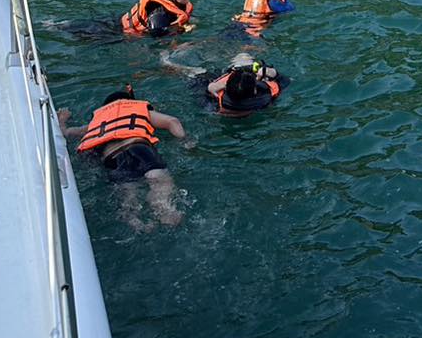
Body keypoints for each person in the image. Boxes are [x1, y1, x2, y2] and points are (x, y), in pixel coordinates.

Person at [58, 84, 187, 228]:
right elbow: (172, 122)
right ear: (130, 102)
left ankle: (137, 223)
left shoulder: (96, 123)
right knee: (159, 180)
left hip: (113, 159)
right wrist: (184, 140)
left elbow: (66, 132)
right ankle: (165, 211)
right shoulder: (138, 109)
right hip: (139, 149)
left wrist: (62, 119)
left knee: (129, 196)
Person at [206, 54, 288, 117]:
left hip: (215, 78)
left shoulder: (215, 103)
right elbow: (285, 81)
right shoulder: (265, 99)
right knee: (244, 56)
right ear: (255, 91)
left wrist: (209, 88)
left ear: (226, 87)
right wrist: (273, 73)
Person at [120, 0, 195, 37]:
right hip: (124, 33)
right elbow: (157, 36)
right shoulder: (159, 14)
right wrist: (182, 29)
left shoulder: (176, 2)